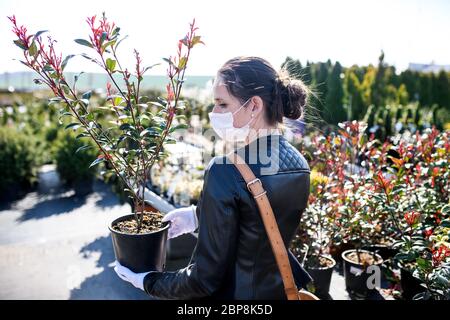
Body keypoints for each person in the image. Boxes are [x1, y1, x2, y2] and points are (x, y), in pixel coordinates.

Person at [114, 56, 312, 299]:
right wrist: (199, 216)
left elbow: (202, 281)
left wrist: (147, 281)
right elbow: (258, 228)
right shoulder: (300, 164)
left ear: (254, 106)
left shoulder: (226, 169)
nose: (213, 113)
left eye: (222, 104)